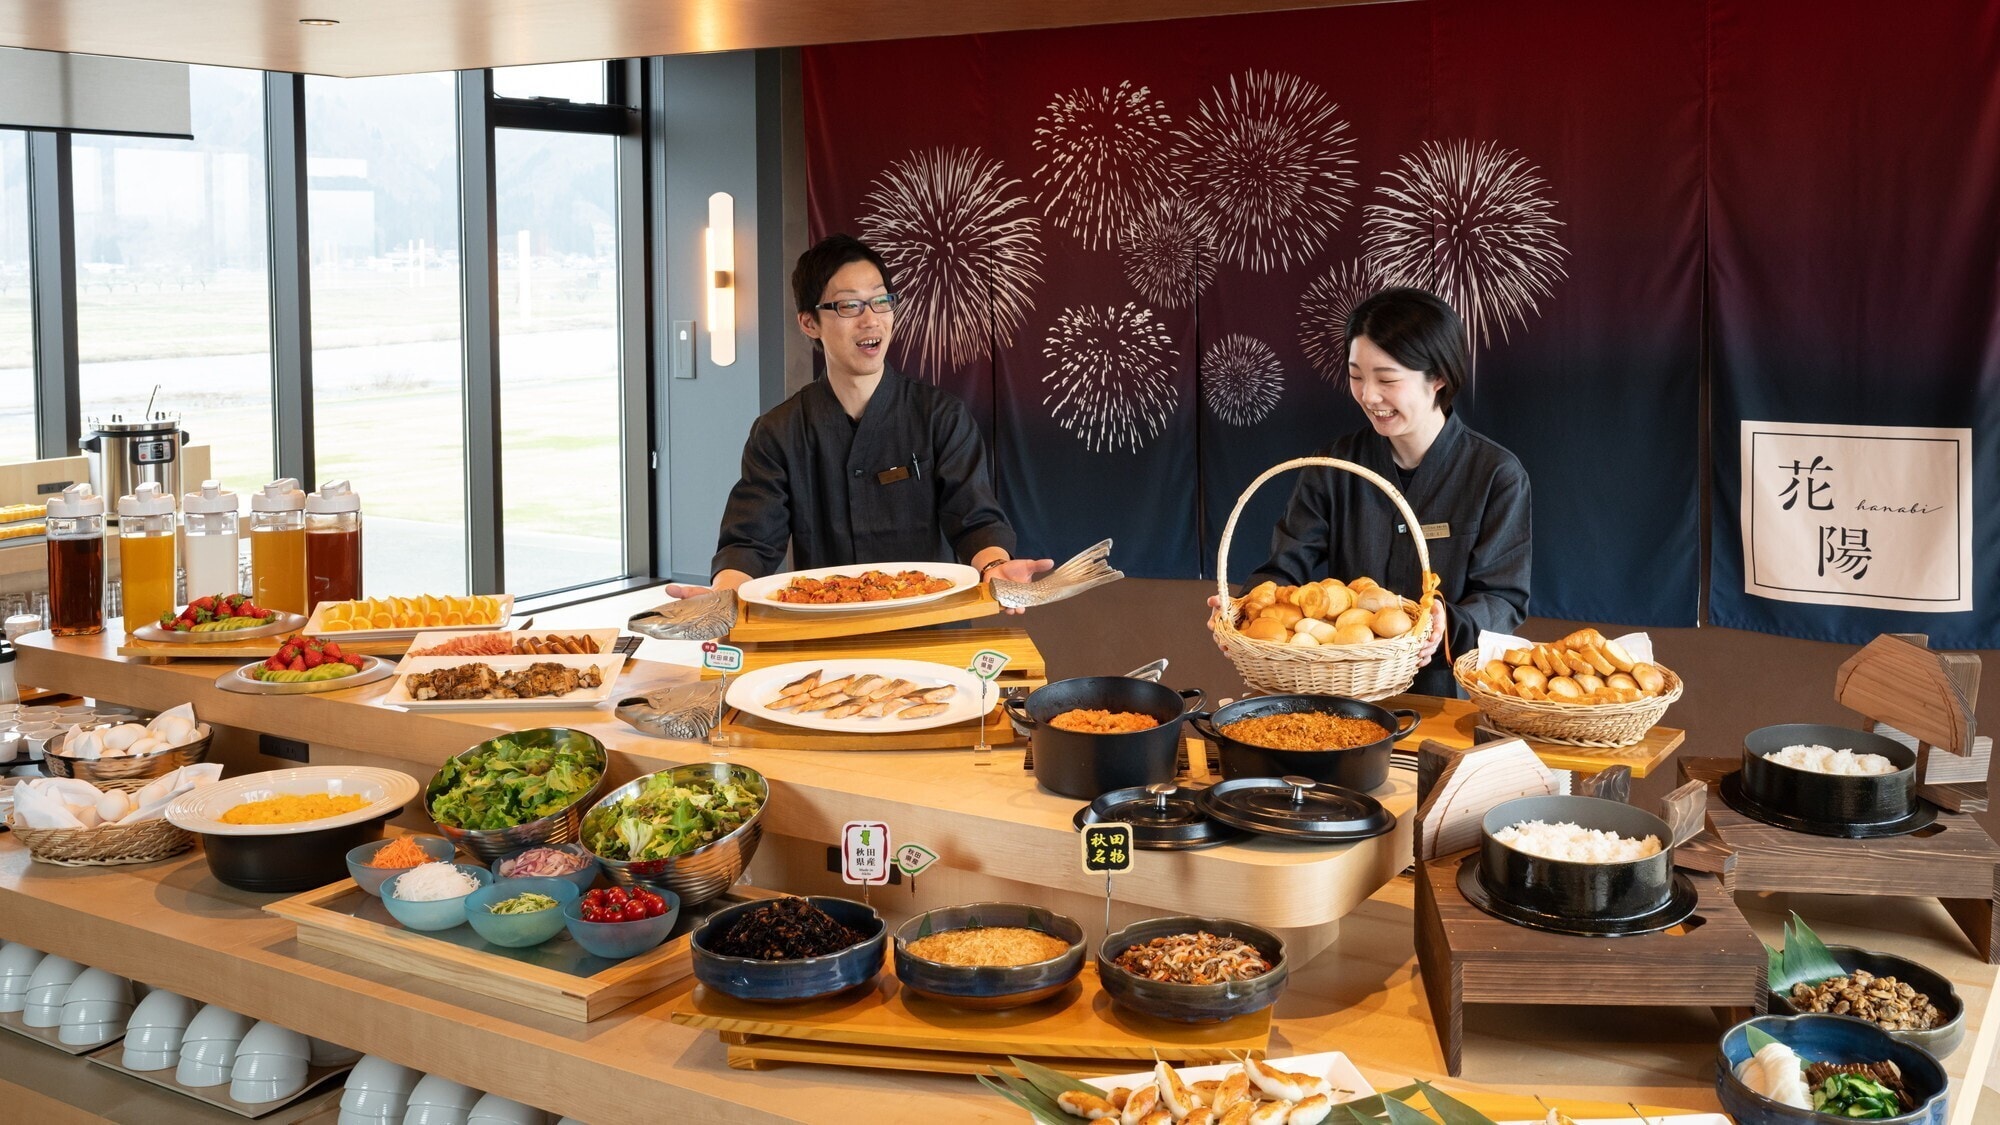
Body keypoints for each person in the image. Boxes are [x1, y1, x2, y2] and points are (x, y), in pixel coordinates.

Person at [665, 234, 1052, 607]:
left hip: (931, 627)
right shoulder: (778, 432)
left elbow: (974, 518)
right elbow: (750, 541)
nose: (871, 320)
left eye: (881, 301)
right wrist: (724, 594)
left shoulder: (941, 417)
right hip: (828, 632)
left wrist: (995, 567)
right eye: (849, 306)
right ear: (809, 323)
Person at [1239, 287, 1532, 697]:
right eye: (1356, 376)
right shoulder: (1333, 466)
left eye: (1387, 379)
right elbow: (1285, 568)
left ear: (1439, 377)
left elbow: (1503, 598)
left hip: (1445, 696)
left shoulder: (1495, 475)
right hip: (1343, 690)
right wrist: (1245, 609)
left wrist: (1446, 621)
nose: (1368, 395)